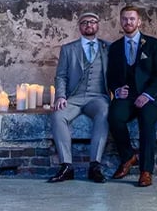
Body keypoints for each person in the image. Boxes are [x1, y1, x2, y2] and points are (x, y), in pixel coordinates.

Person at [107, 4, 157, 187]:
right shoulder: (115, 47)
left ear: (139, 21)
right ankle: (128, 157)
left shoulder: (153, 44)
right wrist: (116, 90)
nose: (128, 22)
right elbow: (111, 75)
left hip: (150, 96)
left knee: (146, 122)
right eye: (125, 19)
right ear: (121, 22)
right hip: (127, 96)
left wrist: (147, 94)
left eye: (132, 18)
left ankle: (146, 171)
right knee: (114, 117)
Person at [48, 11, 110, 183]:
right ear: (79, 27)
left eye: (92, 22)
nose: (88, 25)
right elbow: (61, 76)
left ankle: (95, 165)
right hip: (73, 98)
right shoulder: (68, 49)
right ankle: (66, 165)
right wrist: (60, 97)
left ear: (97, 25)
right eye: (84, 22)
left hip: (97, 96)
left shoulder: (108, 47)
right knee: (58, 115)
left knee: (104, 113)